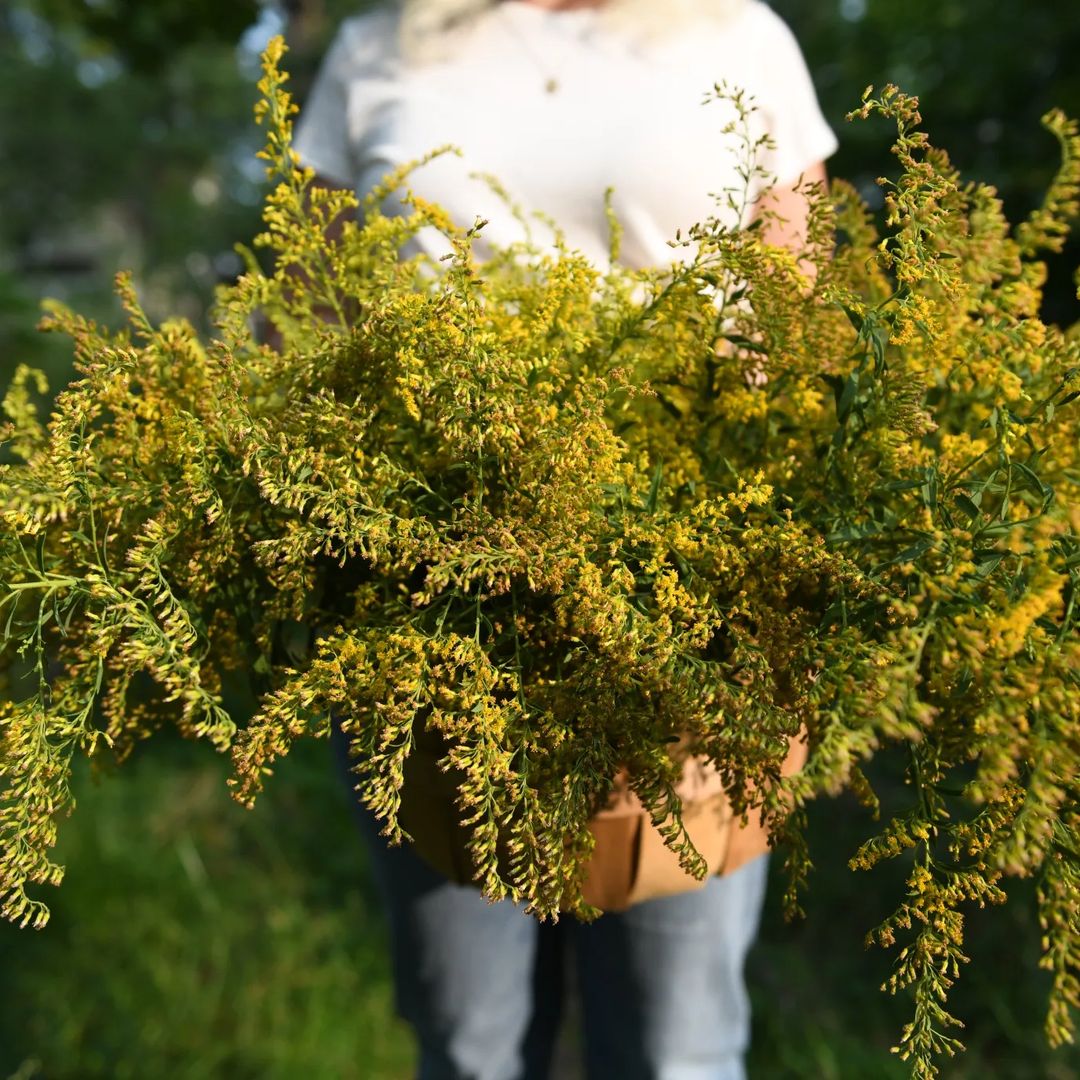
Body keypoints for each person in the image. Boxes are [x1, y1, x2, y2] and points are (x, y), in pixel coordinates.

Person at [293, 2, 837, 1077]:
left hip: (692, 621)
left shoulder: (739, 37)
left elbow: (800, 319)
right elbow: (305, 311)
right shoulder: (383, 48)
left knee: (676, 1047)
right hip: (428, 618)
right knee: (470, 1038)